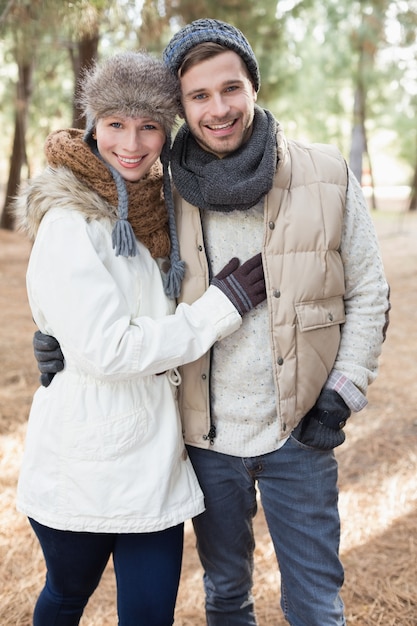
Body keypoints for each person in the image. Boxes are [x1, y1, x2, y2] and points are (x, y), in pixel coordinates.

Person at [33, 20, 391, 626]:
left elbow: (369, 292)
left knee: (315, 602)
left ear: (254, 85)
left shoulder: (325, 174)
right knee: (226, 595)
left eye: (231, 88)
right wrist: (54, 337)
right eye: (198, 96)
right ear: (183, 106)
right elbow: (112, 304)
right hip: (203, 440)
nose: (218, 108)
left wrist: (342, 393)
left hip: (299, 431)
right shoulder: (161, 192)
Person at [14, 50, 266, 626]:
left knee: (151, 614)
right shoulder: (69, 220)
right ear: (93, 124)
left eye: (149, 126)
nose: (132, 143)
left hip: (156, 454)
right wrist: (219, 310)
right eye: (116, 125)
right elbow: (107, 349)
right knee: (66, 596)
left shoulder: (159, 205)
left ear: (166, 130)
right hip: (86, 458)